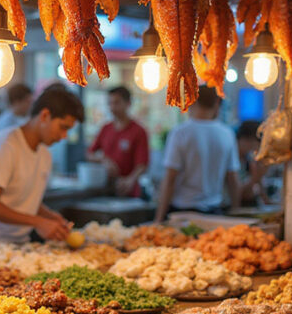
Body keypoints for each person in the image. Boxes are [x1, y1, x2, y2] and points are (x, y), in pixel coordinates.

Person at [0, 84, 85, 255]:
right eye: (63, 127)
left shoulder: (44, 154)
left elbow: (22, 198)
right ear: (45, 115)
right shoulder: (6, 145)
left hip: (17, 247)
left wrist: (49, 216)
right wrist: (38, 222)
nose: (64, 136)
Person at [154, 86, 241, 222]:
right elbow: (232, 180)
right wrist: (236, 212)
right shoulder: (227, 134)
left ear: (191, 101)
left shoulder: (180, 133)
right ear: (217, 103)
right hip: (215, 214)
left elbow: (170, 180)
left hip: (183, 214)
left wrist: (158, 219)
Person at [87, 86, 149, 197]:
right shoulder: (105, 128)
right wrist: (103, 160)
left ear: (128, 103)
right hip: (105, 188)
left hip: (128, 190)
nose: (112, 107)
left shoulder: (138, 131)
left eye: (116, 103)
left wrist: (130, 180)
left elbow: (142, 165)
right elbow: (89, 154)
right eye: (110, 103)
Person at [236, 120, 267, 205]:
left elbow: (261, 195)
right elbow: (236, 193)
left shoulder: (247, 160)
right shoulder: (233, 160)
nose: (255, 149)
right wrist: (255, 178)